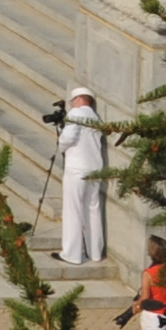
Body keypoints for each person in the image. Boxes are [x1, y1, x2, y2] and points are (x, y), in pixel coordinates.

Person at [52, 87, 111, 265]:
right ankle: (95, 252)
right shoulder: (95, 118)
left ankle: (72, 254)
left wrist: (61, 146)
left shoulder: (76, 114)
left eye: (72, 101)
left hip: (77, 168)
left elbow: (67, 138)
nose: (71, 104)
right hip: (94, 168)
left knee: (73, 210)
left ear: (78, 99)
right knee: (92, 209)